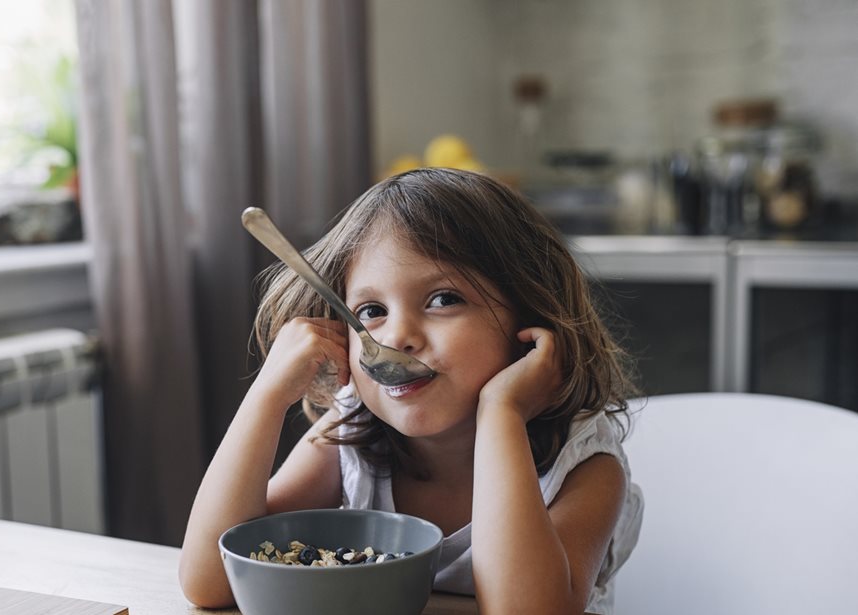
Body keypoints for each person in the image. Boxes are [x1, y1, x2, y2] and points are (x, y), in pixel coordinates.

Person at [178, 168, 643, 615]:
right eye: (371, 310)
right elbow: (210, 581)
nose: (394, 337)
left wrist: (502, 413)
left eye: (443, 299)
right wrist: (267, 396)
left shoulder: (584, 466)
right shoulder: (353, 433)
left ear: (529, 316)